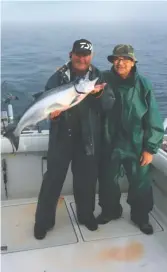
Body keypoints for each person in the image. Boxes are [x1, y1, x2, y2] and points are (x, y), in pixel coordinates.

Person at [34, 39, 115, 239]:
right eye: (78, 54)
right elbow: (45, 104)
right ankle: (43, 222)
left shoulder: (99, 78)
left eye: (86, 54)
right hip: (61, 137)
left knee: (86, 181)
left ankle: (86, 216)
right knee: (52, 180)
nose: (81, 58)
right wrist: (52, 116)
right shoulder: (57, 77)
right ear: (71, 54)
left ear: (91, 56)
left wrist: (99, 94)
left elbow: (109, 104)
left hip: (88, 139)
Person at [97, 44, 164, 234]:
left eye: (124, 59)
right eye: (116, 59)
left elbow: (153, 118)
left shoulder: (144, 85)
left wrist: (150, 148)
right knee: (107, 180)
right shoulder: (102, 79)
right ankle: (110, 211)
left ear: (133, 62)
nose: (119, 63)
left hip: (136, 144)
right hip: (109, 142)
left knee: (140, 183)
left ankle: (141, 217)